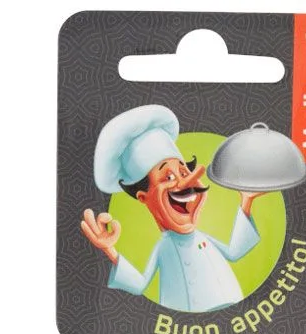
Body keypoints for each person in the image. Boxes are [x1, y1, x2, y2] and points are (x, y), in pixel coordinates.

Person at [81, 105, 266, 312]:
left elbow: (235, 252)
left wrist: (246, 201)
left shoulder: (202, 238)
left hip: (230, 306)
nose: (185, 183)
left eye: (184, 173)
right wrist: (109, 250)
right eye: (168, 177)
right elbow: (140, 284)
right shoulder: (164, 247)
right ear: (143, 197)